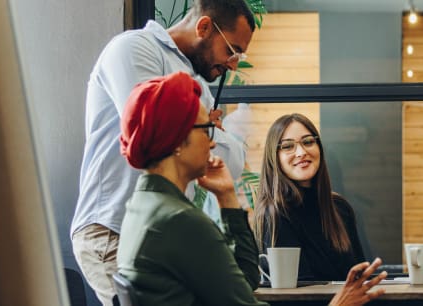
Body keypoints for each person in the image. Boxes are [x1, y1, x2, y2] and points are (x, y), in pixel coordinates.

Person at [116, 72, 387, 306]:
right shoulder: (180, 221)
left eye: (308, 142)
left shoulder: (144, 208)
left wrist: (227, 196)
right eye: (206, 129)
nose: (212, 143)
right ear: (176, 140)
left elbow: (245, 283)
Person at [70, 0, 255, 303]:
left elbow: (230, 162)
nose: (234, 63)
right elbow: (157, 125)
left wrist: (204, 125)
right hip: (113, 227)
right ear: (204, 27)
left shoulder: (198, 84)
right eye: (232, 50)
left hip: (163, 234)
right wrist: (209, 123)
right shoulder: (134, 49)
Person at [252, 114, 366, 281]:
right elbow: (295, 295)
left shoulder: (340, 207)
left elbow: (359, 276)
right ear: (274, 158)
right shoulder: (275, 214)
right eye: (287, 146)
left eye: (308, 142)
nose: (301, 152)